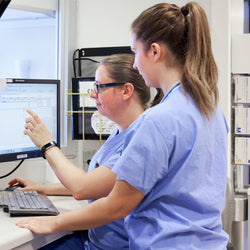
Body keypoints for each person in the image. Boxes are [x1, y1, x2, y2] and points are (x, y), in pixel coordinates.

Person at [16, 2, 229, 249]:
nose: (136, 64)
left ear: (155, 52)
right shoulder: (210, 109)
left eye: (135, 52)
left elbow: (117, 204)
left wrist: (55, 223)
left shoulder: (159, 120)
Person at [10, 53, 157, 249]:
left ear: (126, 90)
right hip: (93, 240)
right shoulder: (120, 131)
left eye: (99, 87)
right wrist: (43, 189)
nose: (93, 94)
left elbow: (82, 188)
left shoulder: (139, 140)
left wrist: (47, 145)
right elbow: (97, 183)